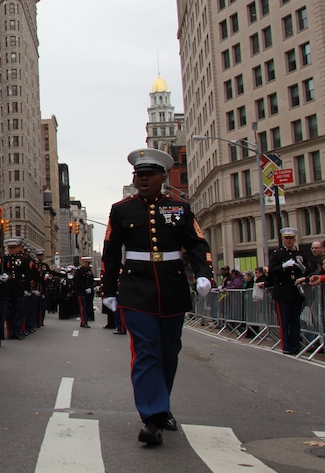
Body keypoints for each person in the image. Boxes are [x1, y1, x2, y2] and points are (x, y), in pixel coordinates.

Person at [101, 149, 213, 448]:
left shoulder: (180, 208)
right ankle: (151, 417)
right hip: (136, 289)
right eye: (139, 174)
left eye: (150, 174)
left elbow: (197, 243)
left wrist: (204, 273)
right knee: (146, 351)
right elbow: (111, 253)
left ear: (163, 177)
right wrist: (109, 291)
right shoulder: (121, 210)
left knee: (168, 352)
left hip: (172, 286)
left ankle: (161, 406)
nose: (144, 178)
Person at [267, 227, 308, 355]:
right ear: (283, 239)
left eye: (291, 238)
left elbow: (307, 270)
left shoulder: (299, 255)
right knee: (285, 321)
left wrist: (303, 270)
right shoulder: (277, 254)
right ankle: (286, 346)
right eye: (287, 238)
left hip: (296, 292)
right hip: (283, 292)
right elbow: (271, 271)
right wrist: (282, 267)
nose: (289, 241)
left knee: (295, 321)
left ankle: (295, 345)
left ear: (294, 239)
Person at [74, 257, 95, 328]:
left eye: (89, 263)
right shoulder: (79, 271)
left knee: (87, 307)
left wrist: (90, 288)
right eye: (87, 263)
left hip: (88, 293)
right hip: (81, 292)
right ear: (83, 262)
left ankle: (85, 321)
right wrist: (85, 288)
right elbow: (78, 281)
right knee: (83, 308)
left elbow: (91, 281)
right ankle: (84, 322)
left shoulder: (89, 271)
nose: (88, 264)